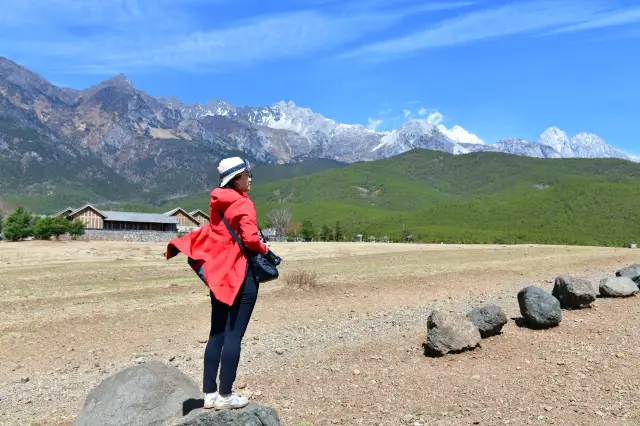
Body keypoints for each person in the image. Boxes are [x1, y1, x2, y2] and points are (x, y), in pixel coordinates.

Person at [166, 156, 281, 410]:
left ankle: (209, 394)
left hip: (219, 275)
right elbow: (251, 239)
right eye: (247, 174)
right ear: (236, 178)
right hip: (242, 275)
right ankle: (226, 396)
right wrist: (265, 246)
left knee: (216, 333)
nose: (250, 179)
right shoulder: (243, 204)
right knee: (234, 336)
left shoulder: (217, 202)